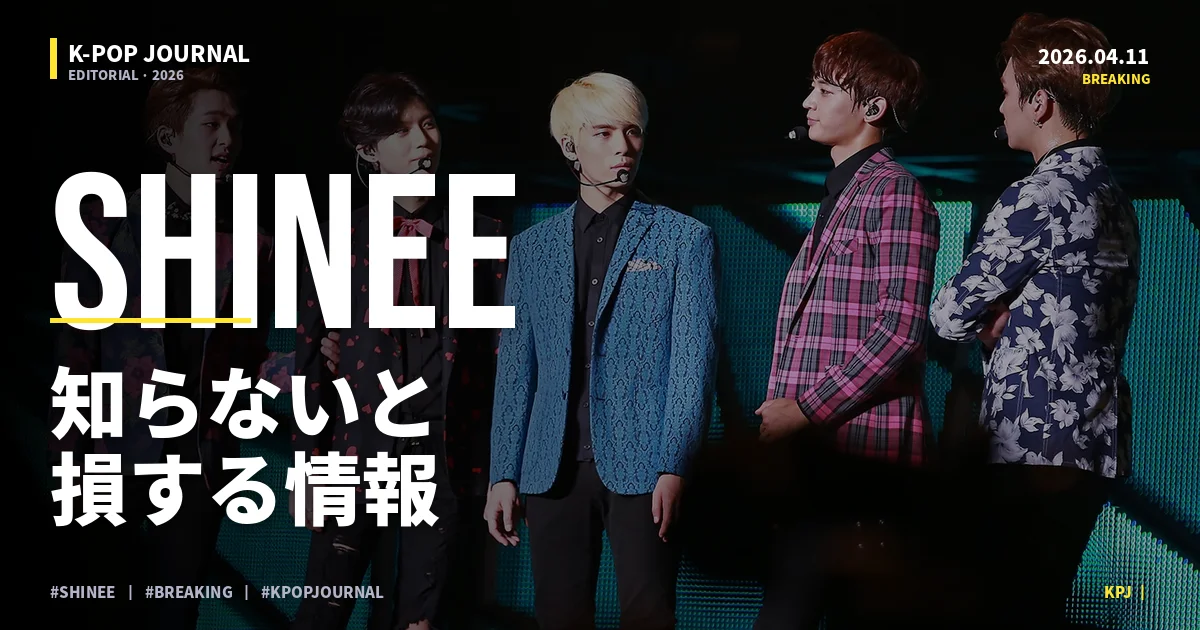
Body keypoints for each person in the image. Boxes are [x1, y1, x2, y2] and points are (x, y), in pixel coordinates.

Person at [49, 65, 293, 629]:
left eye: (233, 125)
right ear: (168, 137)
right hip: (109, 459)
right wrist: (67, 465)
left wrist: (309, 362)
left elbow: (248, 357)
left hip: (197, 465)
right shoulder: (104, 225)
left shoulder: (252, 242)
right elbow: (75, 352)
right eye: (211, 124)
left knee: (174, 615)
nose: (228, 139)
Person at [484, 71, 718, 630]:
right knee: (558, 616)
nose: (624, 147)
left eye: (633, 132)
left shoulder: (684, 238)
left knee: (648, 614)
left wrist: (675, 466)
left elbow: (693, 365)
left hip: (647, 465)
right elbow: (516, 370)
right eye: (605, 133)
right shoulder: (532, 248)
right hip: (552, 465)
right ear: (571, 145)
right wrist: (502, 473)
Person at [930, 13, 1139, 629]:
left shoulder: (1039, 194)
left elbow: (949, 313)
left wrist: (993, 317)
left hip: (1030, 440)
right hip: (1094, 441)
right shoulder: (1114, 195)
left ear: (1040, 102)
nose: (1001, 107)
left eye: (1006, 92)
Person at [292, 72, 506, 630]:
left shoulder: (483, 235)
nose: (422, 141)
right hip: (354, 453)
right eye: (402, 131)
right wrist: (308, 464)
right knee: (321, 613)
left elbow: (499, 359)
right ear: (368, 150)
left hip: (442, 457)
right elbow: (310, 358)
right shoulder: (337, 238)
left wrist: (497, 469)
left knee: (418, 619)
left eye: (428, 125)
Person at [754, 31, 940, 629]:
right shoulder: (842, 193)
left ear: (872, 108)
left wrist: (804, 409)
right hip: (818, 465)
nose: (807, 101)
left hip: (863, 455)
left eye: (825, 90)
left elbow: (901, 328)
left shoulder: (895, 191)